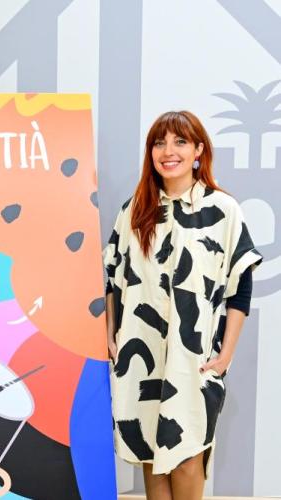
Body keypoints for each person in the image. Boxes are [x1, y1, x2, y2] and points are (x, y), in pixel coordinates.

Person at [104, 110, 262, 499]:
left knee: (188, 456)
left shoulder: (223, 210)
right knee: (150, 453)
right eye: (159, 143)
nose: (168, 151)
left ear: (198, 151)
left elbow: (240, 288)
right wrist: (111, 337)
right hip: (140, 357)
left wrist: (226, 354)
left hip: (193, 359)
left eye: (180, 142)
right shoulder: (134, 211)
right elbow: (113, 279)